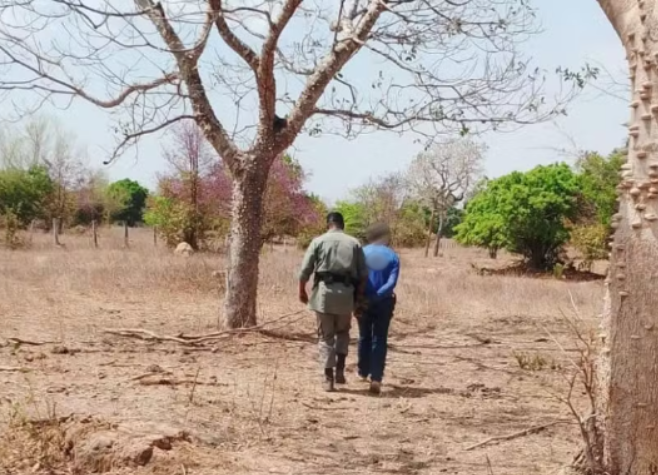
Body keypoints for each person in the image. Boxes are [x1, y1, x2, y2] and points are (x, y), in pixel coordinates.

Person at [298, 212, 368, 392]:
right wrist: (358, 299)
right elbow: (363, 275)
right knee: (343, 332)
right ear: (342, 225)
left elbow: (305, 270)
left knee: (326, 336)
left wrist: (302, 291)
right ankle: (340, 371)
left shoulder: (318, 241)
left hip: (324, 295)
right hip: (346, 296)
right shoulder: (354, 243)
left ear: (328, 224)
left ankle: (328, 378)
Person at [357, 223, 400, 395]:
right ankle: (376, 378)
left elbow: (356, 277)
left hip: (363, 300)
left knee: (364, 336)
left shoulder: (361, 253)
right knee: (380, 338)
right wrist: (379, 295)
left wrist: (363, 297)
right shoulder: (393, 256)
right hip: (384, 302)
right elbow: (392, 283)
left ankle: (363, 370)